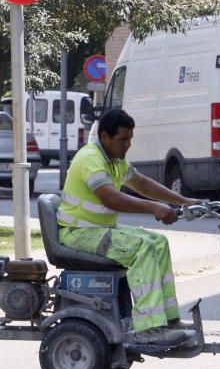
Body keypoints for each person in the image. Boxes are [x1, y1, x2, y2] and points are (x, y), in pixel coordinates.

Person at [57, 109, 201, 347]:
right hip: (78, 234)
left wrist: (182, 201)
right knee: (142, 248)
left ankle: (167, 320)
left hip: (96, 231)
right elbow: (110, 199)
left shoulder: (115, 160)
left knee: (158, 242)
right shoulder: (91, 159)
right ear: (105, 137)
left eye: (130, 139)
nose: (128, 145)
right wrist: (154, 208)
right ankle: (149, 329)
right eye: (123, 140)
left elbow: (141, 183)